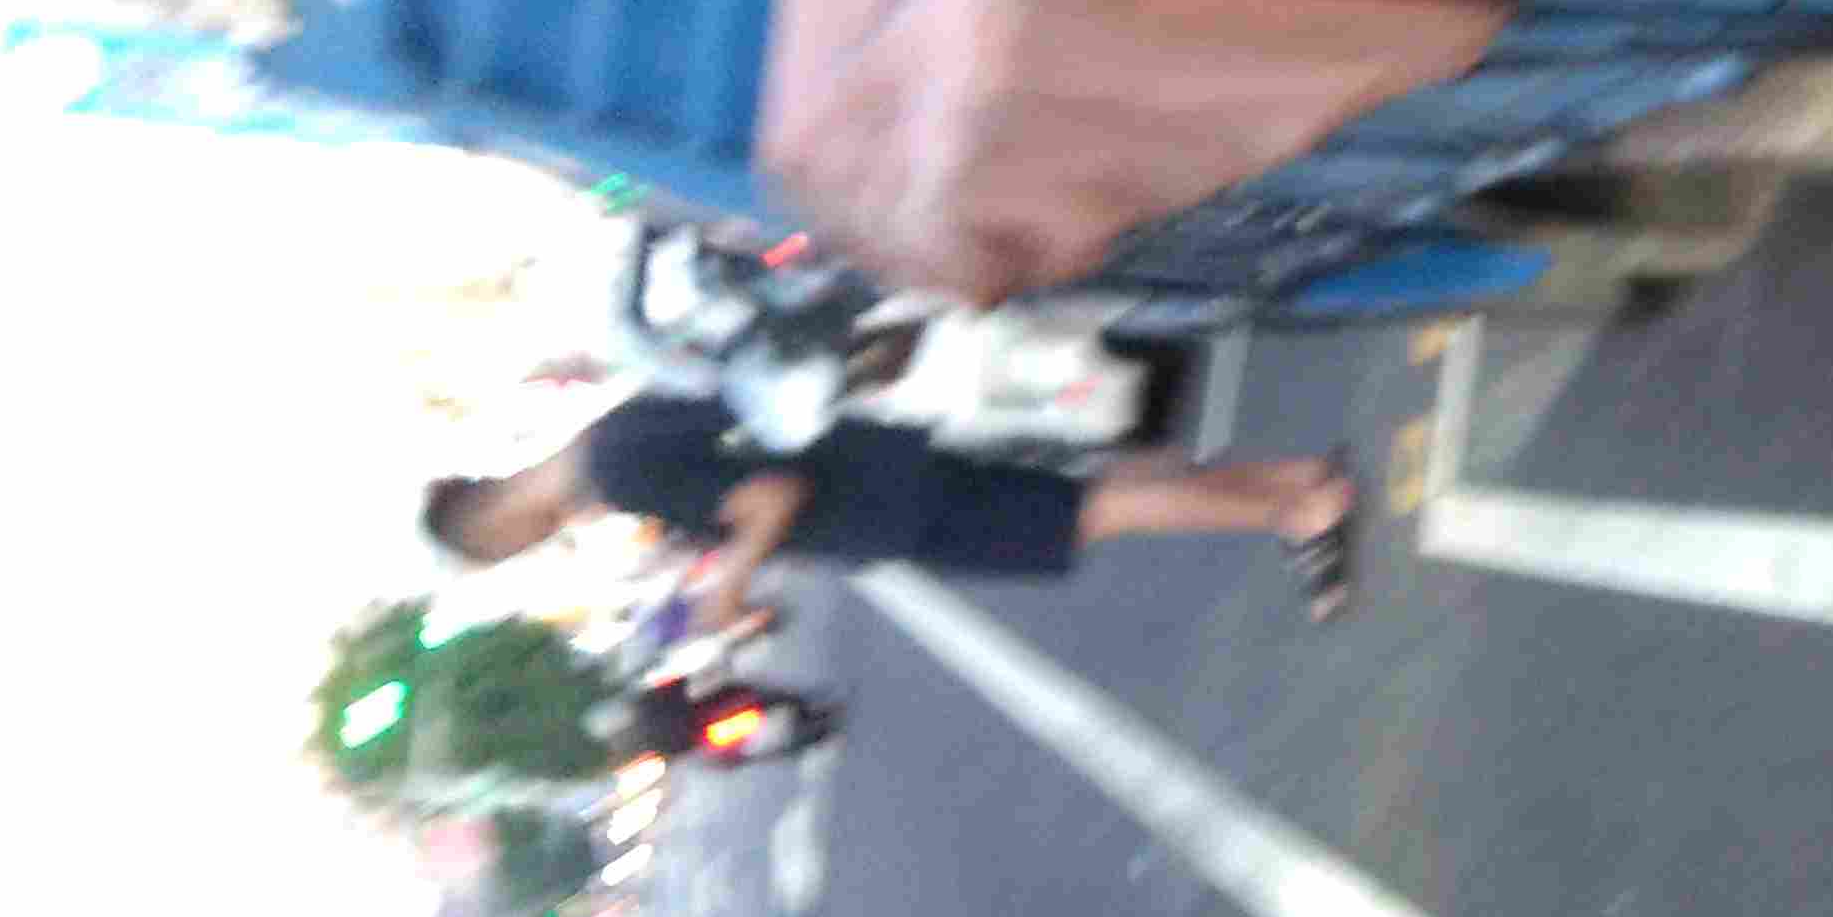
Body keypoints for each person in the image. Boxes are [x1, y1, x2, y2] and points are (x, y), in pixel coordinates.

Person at [424, 394, 1359, 619]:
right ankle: (1295, 480)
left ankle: (1298, 511)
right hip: (876, 450)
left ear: (493, 525)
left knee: (1095, 509)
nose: (526, 554)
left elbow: (770, 497)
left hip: (878, 500)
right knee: (1093, 492)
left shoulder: (621, 474)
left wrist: (728, 585)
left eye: (504, 553)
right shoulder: (607, 435)